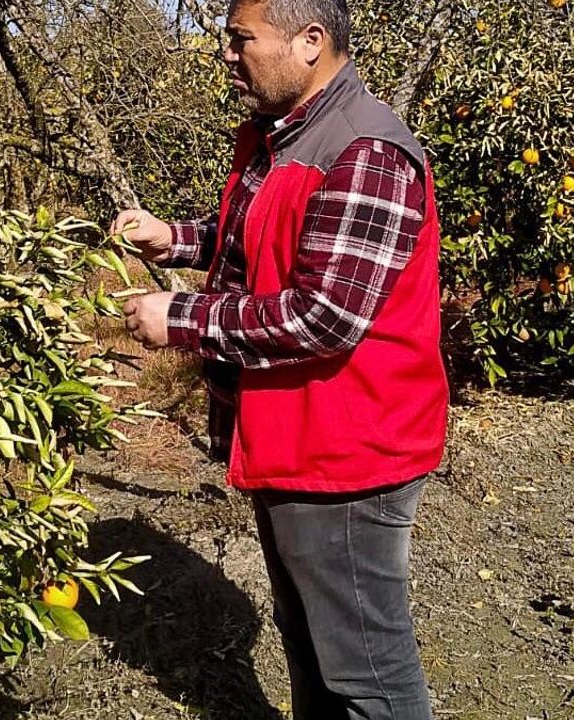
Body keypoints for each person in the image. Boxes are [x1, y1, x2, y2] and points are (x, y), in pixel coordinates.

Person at [109, 0, 446, 716]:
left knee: (365, 670)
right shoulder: (286, 136)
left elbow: (324, 315)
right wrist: (175, 238)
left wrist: (182, 319)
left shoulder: (364, 152)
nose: (228, 57)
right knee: (313, 643)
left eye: (242, 41)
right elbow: (259, 238)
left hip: (347, 450)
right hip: (297, 437)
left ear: (310, 42)